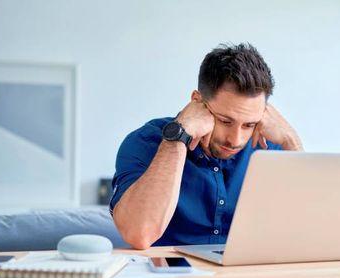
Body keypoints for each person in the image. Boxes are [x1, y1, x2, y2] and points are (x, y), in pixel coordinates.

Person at [110, 43, 303, 249]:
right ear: (197, 101)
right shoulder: (146, 142)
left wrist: (291, 141)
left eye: (249, 124)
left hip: (249, 276)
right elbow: (139, 234)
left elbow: (309, 231)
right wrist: (178, 137)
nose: (236, 139)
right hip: (173, 277)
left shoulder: (270, 147)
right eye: (225, 121)